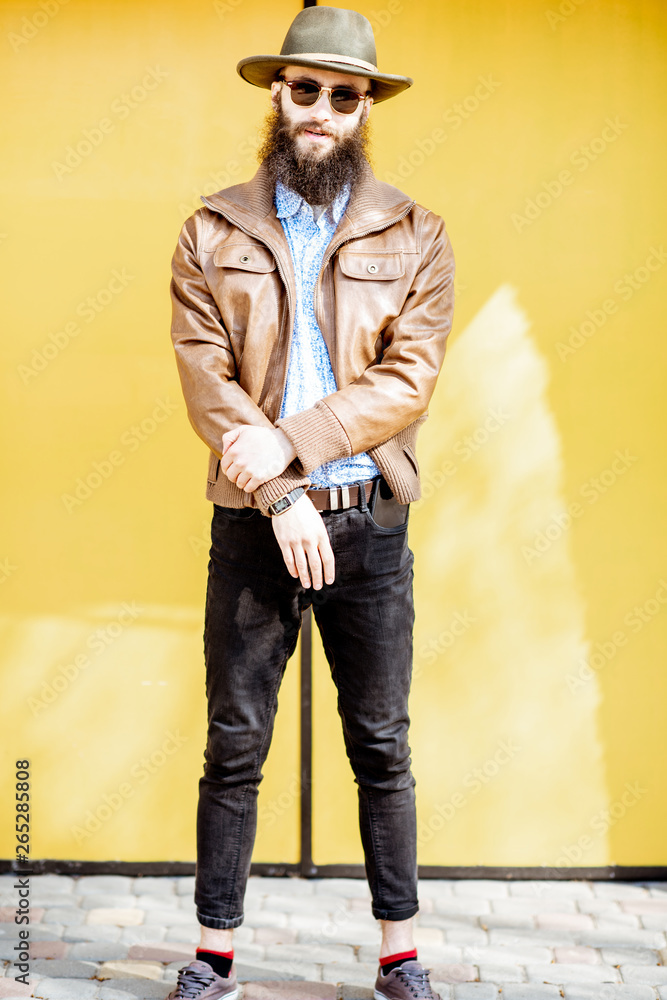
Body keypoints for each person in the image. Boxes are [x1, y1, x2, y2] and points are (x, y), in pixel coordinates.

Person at [166, 6, 455, 1000]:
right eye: (305, 89)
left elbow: (406, 382)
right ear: (275, 94)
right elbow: (208, 379)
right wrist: (281, 491)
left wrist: (292, 441)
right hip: (255, 524)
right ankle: (215, 953)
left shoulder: (416, 233)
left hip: (368, 524)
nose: (322, 108)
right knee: (234, 741)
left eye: (343, 92)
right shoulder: (210, 228)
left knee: (380, 740)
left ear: (363, 104)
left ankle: (398, 952)